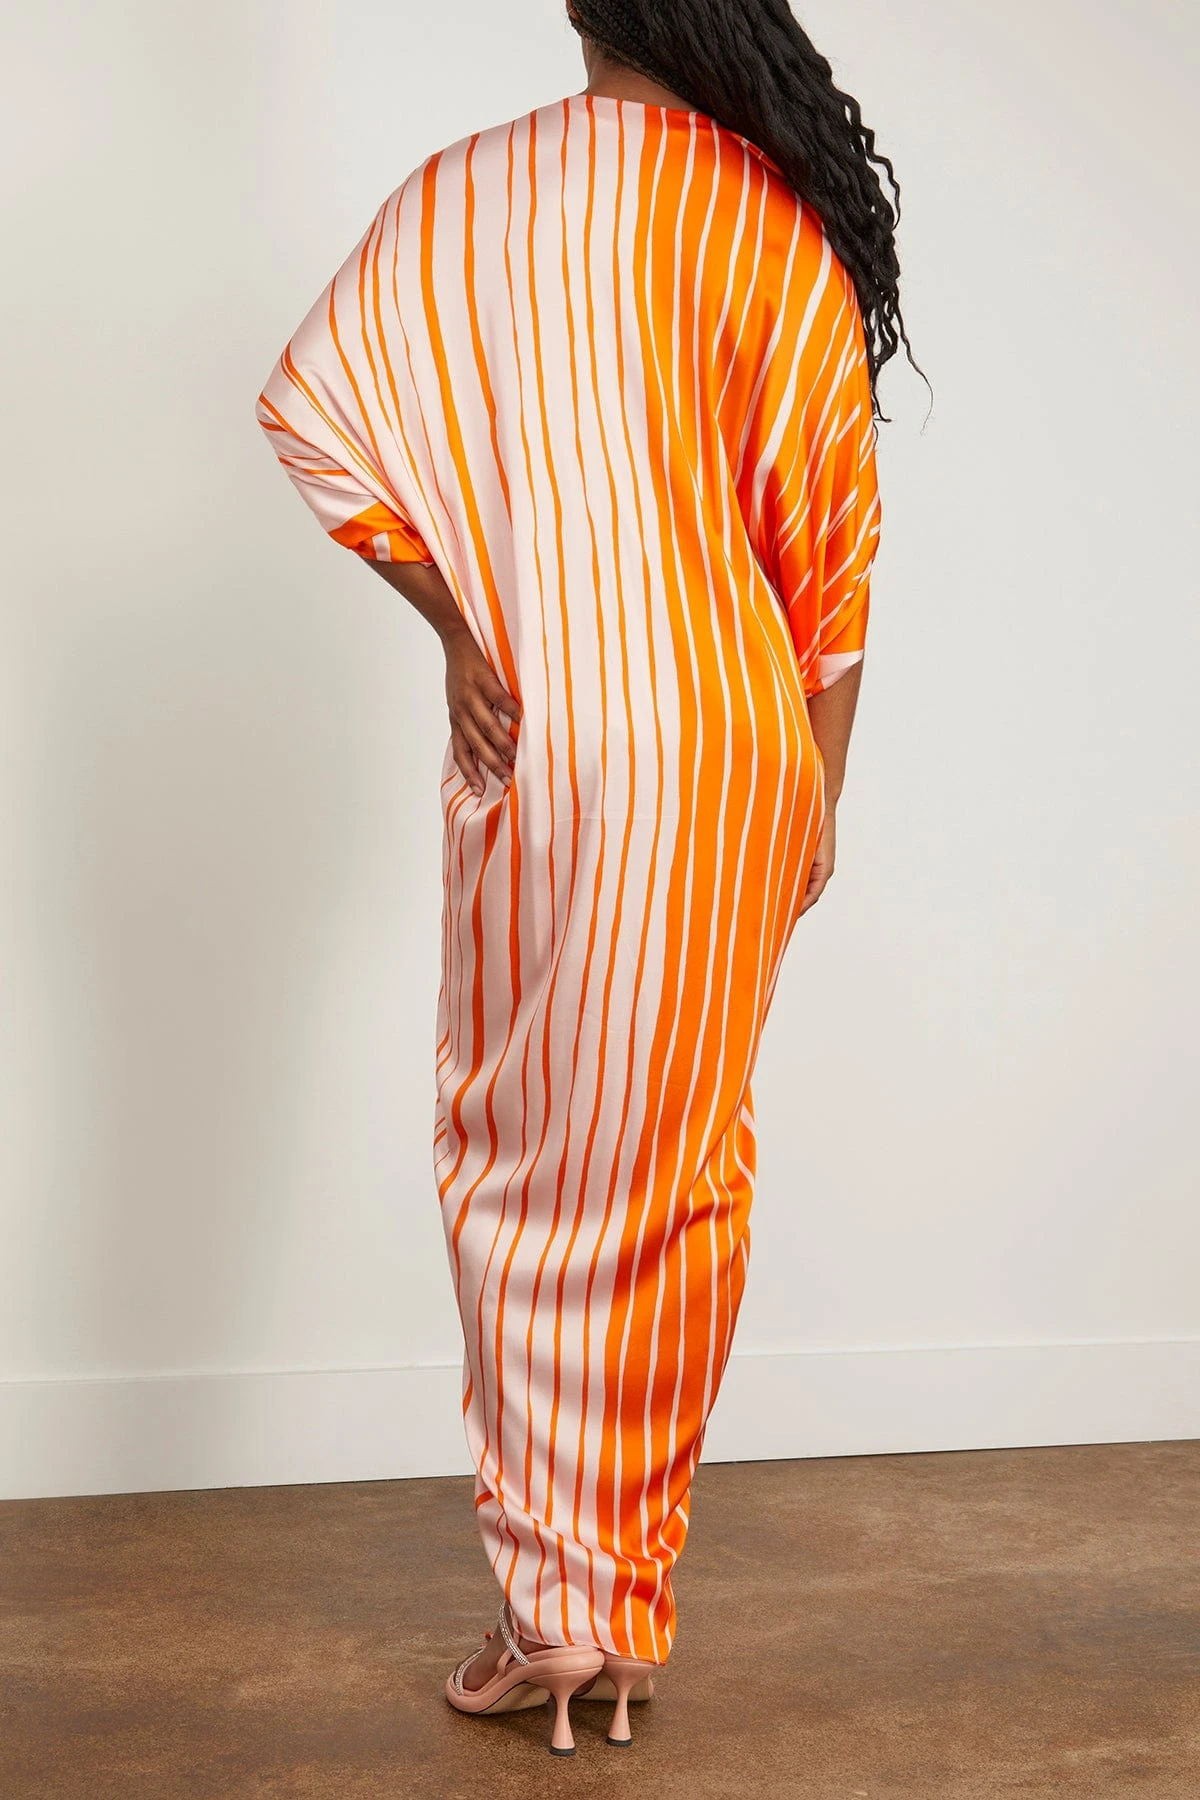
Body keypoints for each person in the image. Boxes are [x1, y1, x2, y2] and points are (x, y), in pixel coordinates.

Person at [254, 0, 921, 1759]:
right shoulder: (772, 225)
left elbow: (316, 415)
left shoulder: (464, 195)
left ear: (579, 3)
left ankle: (548, 1609)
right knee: (678, 1166)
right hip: (731, 744)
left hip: (545, 735)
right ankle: (613, 1609)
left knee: (518, 1149)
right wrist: (820, 795)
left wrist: (459, 626)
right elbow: (831, 556)